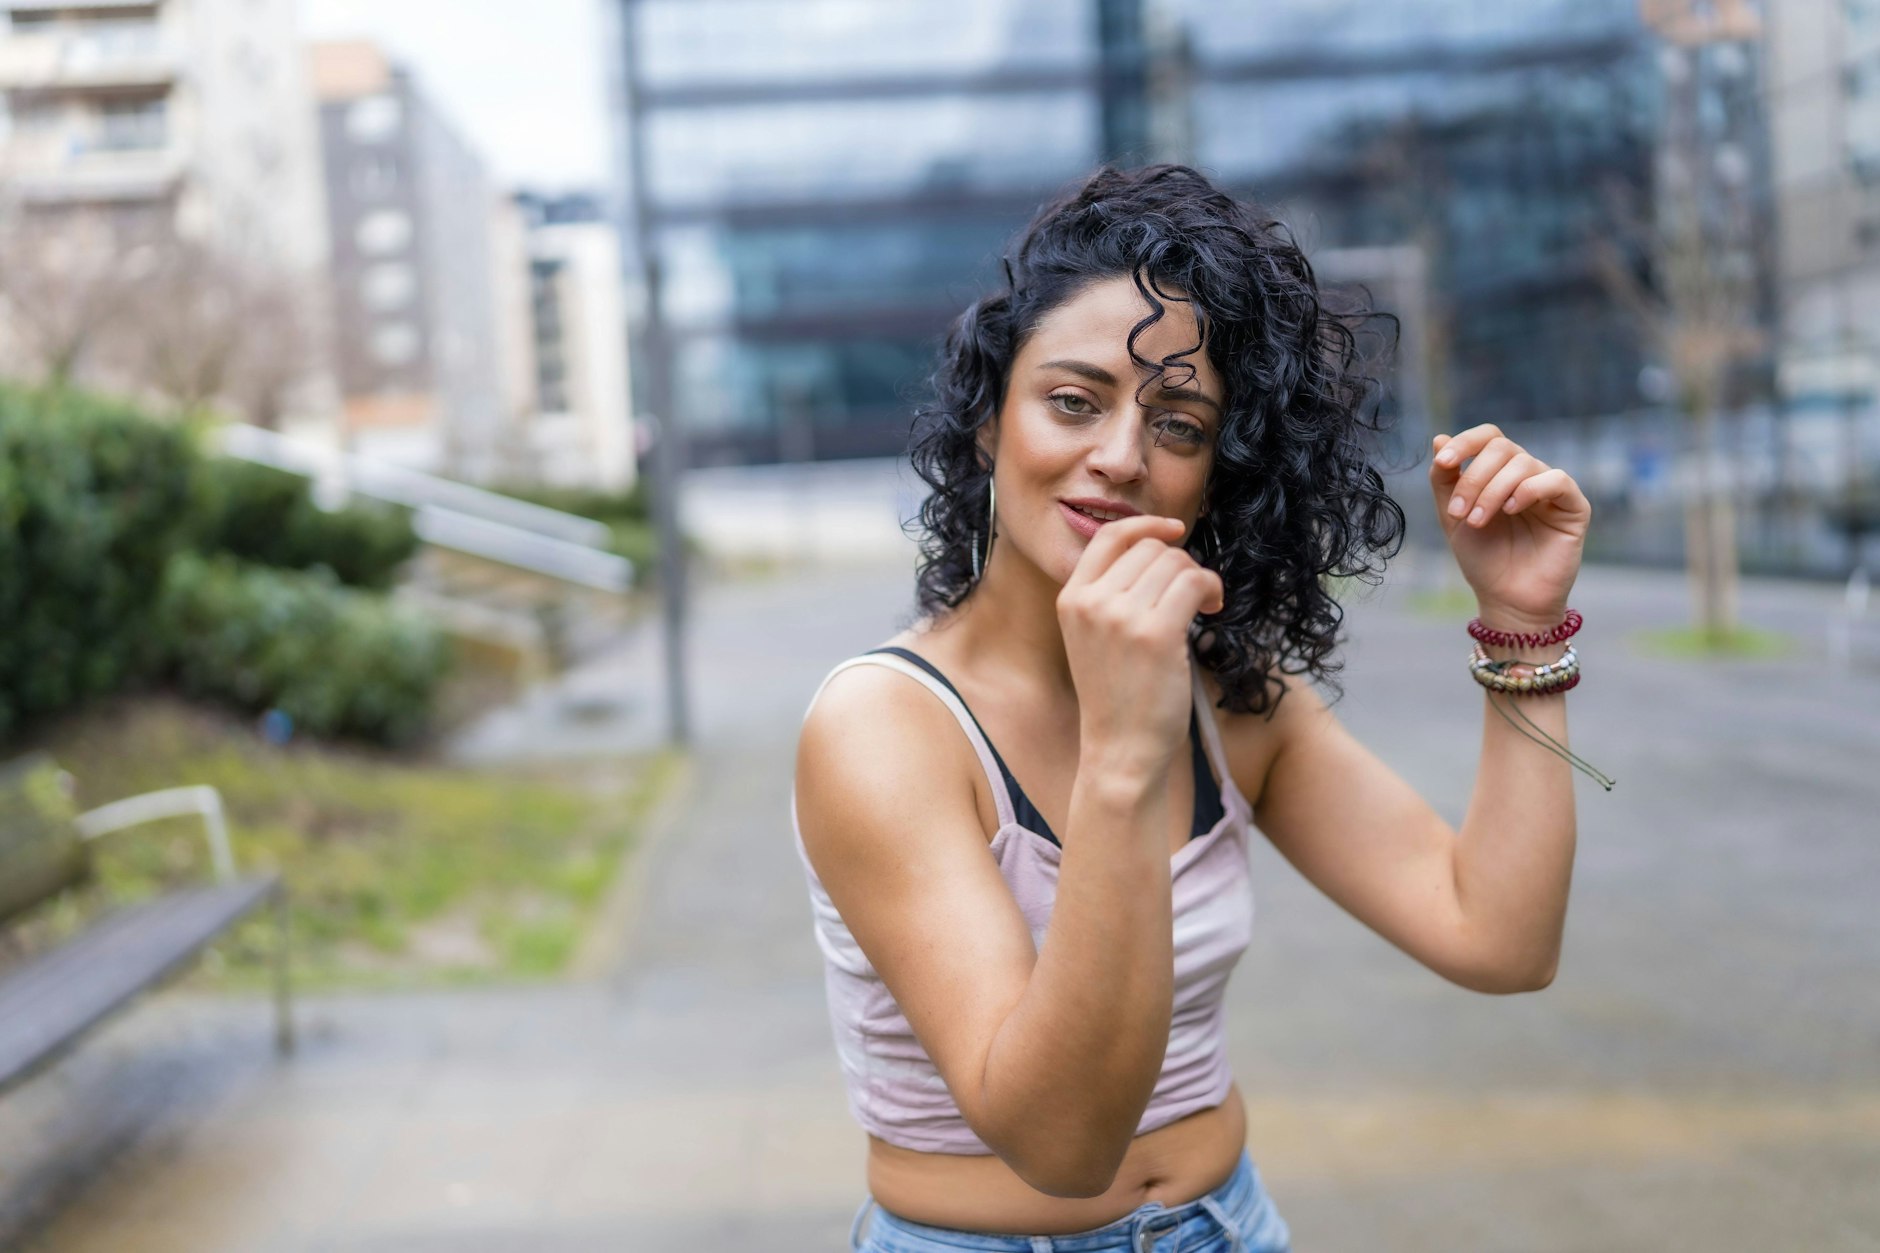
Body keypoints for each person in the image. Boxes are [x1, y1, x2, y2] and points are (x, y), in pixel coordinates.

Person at [791, 164, 1596, 1252]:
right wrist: (1124, 747)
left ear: (1218, 473)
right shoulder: (884, 727)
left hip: (1226, 1224)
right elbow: (1058, 1139)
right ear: (988, 423)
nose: (1117, 458)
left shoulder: (1230, 693)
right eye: (1071, 400)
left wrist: (1519, 621)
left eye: (1176, 424)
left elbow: (1494, 936)